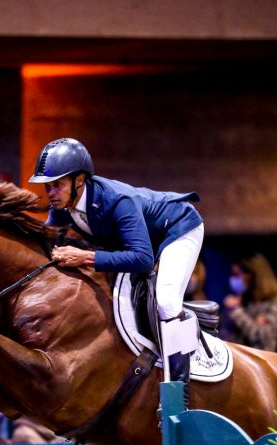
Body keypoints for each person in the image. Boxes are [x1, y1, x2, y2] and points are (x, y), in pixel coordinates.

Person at [29, 137, 204, 409]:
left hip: (178, 229)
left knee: (167, 300)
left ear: (80, 181)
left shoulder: (117, 200)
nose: (51, 193)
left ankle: (179, 395)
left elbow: (143, 259)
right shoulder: (63, 208)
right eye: (48, 186)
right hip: (143, 243)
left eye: (58, 185)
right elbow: (44, 246)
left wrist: (84, 257)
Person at [219, 253, 277, 352]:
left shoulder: (274, 304)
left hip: (260, 362)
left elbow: (261, 337)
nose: (233, 280)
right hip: (236, 359)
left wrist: (236, 311)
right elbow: (225, 336)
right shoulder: (244, 300)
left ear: (253, 276)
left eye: (237, 275)